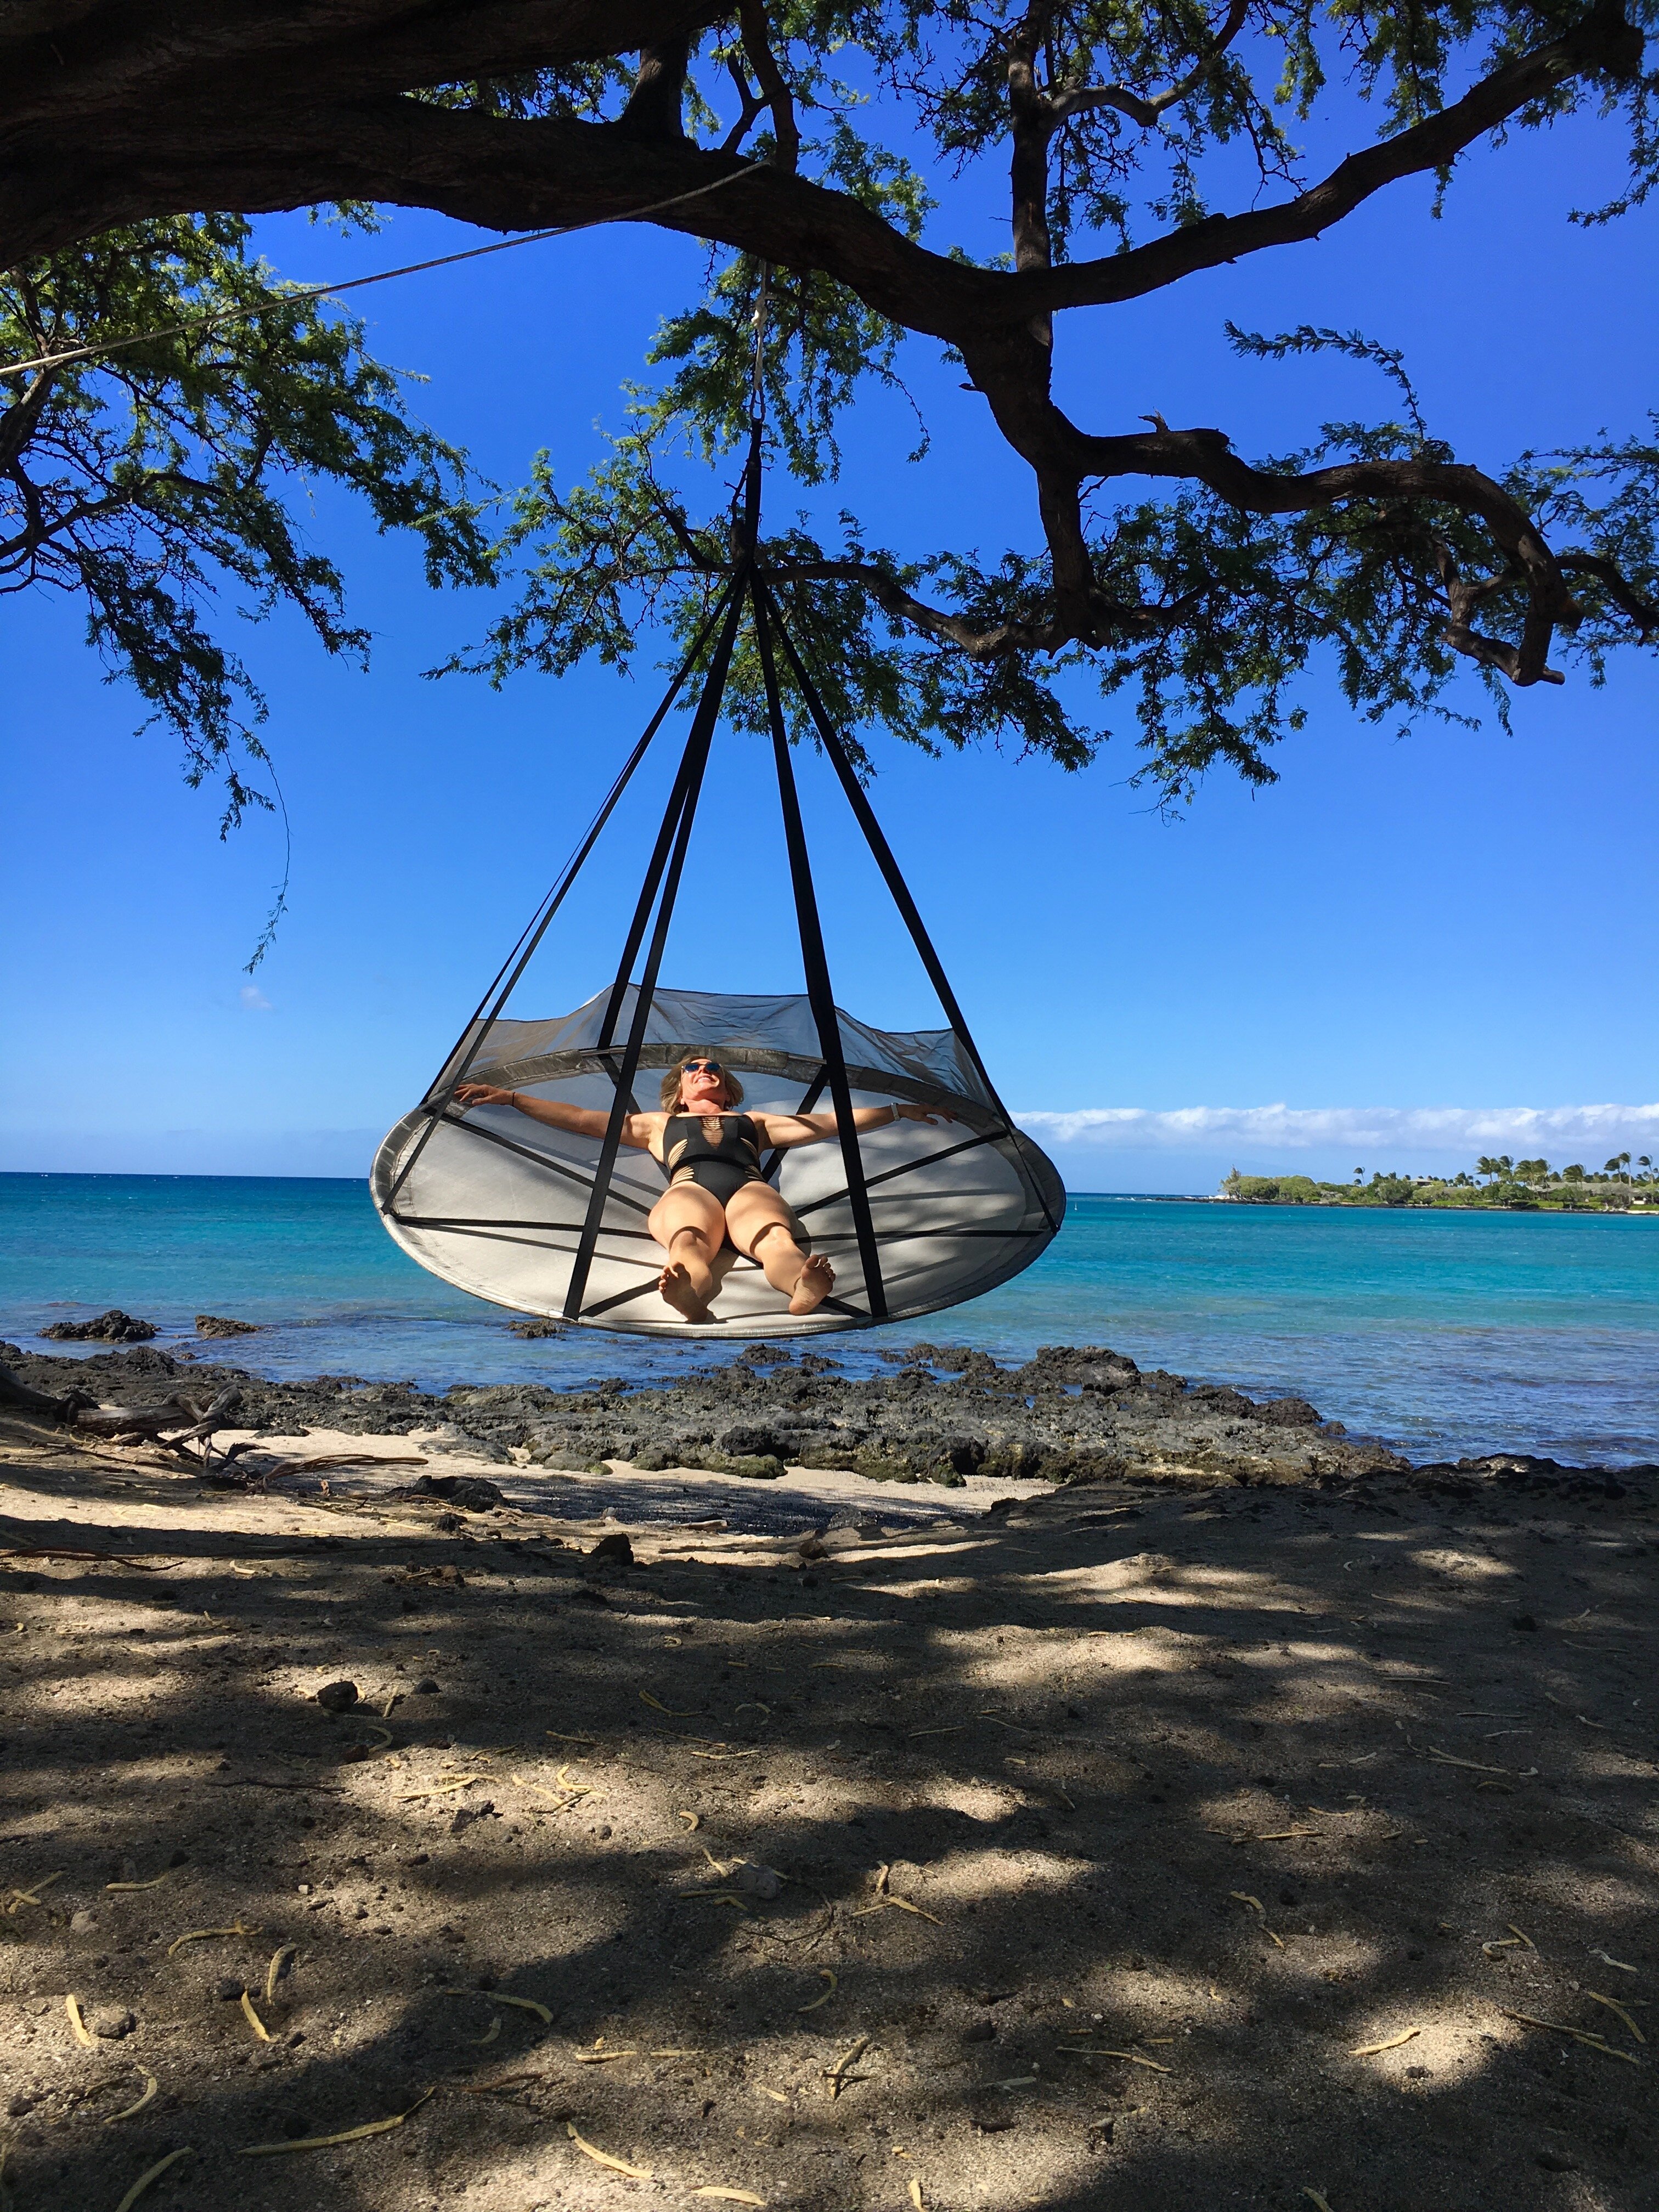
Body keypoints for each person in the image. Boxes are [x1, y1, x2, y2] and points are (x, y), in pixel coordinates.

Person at [453, 1051, 951, 1322]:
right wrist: (514, 1099)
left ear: (727, 1087)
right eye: (693, 1068)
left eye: (713, 1067)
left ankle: (802, 1288)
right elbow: (583, 1119)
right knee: (689, 1241)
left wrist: (897, 1112)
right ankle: (691, 1298)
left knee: (774, 1237)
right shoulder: (654, 1124)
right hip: (689, 1189)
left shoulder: (756, 1121)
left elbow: (828, 1123)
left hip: (748, 1187)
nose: (704, 1070)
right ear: (680, 1090)